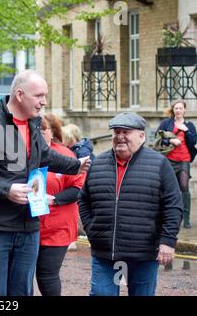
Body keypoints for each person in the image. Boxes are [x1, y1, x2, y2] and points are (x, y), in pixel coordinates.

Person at [0, 69, 91, 296]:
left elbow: (44, 156)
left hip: (28, 226)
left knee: (22, 293)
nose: (43, 102)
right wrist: (4, 189)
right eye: (39, 96)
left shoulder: (34, 123)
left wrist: (76, 165)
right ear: (19, 94)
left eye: (44, 96)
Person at [78, 112, 183, 296]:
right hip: (105, 253)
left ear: (142, 135)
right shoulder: (98, 163)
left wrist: (168, 240)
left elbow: (173, 204)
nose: (120, 136)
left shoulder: (159, 164)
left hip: (142, 253)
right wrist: (91, 229)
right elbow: (83, 199)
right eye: (116, 132)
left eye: (126, 132)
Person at [36, 113, 86, 296]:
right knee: (21, 276)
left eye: (44, 130)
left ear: (52, 132)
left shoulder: (64, 154)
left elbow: (78, 188)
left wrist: (55, 199)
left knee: (46, 275)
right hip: (27, 225)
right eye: (36, 130)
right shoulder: (23, 153)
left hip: (57, 226)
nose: (40, 134)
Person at [157, 99, 197, 229]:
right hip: (169, 159)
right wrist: (171, 140)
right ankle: (167, 215)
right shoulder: (166, 123)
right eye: (176, 108)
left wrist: (186, 131)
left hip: (184, 159)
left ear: (184, 110)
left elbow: (194, 143)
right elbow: (158, 139)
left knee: (184, 186)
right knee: (167, 187)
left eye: (180, 108)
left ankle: (186, 218)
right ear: (173, 110)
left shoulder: (190, 125)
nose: (178, 110)